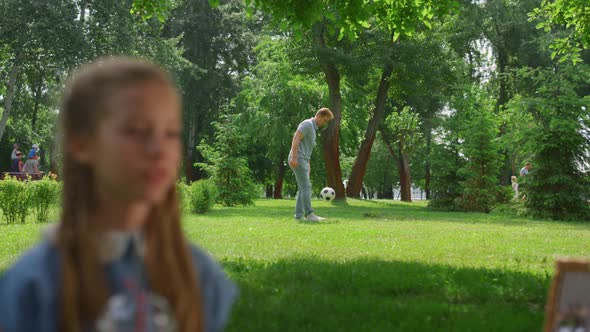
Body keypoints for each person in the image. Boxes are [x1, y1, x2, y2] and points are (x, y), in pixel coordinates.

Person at [0, 57, 237, 332]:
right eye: (137, 131)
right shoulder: (33, 286)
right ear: (81, 142)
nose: (159, 149)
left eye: (171, 133)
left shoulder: (199, 276)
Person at [288, 108, 334, 222]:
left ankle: (298, 216)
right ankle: (309, 214)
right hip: (298, 157)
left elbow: (306, 147)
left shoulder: (313, 128)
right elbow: (296, 138)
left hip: (303, 159)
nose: (324, 123)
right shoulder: (307, 124)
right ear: (318, 116)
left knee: (302, 188)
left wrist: (308, 164)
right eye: (324, 120)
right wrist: (294, 157)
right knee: (306, 187)